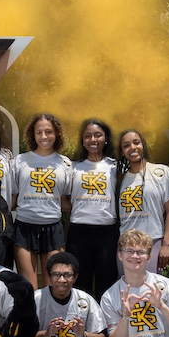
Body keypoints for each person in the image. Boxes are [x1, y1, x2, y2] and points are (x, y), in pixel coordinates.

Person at [11, 113, 71, 287]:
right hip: (24, 228)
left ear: (56, 134)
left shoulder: (65, 164)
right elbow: (13, 199)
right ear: (32, 134)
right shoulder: (19, 161)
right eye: (39, 132)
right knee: (28, 287)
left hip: (52, 228)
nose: (44, 137)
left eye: (48, 132)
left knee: (52, 286)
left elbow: (64, 202)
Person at [66, 119, 119, 301]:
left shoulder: (116, 167)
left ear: (105, 138)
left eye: (98, 135)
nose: (93, 139)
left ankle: (105, 328)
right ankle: (83, 326)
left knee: (107, 283)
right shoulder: (72, 167)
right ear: (82, 140)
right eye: (87, 136)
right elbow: (64, 200)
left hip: (107, 232)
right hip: (78, 231)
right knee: (81, 285)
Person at [116, 129, 169, 272]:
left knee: (150, 288)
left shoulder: (161, 172)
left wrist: (166, 245)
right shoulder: (119, 179)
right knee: (127, 289)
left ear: (143, 145)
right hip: (126, 243)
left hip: (153, 241)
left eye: (136, 142)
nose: (132, 148)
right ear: (121, 152)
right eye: (126, 145)